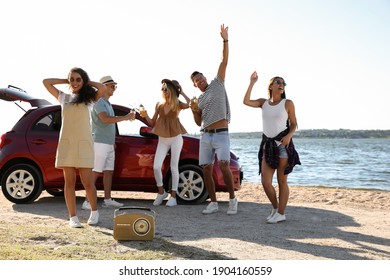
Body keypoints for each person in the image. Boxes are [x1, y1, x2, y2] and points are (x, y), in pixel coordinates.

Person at [43, 67, 105, 228]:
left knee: (88, 183)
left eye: (78, 79)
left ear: (83, 81)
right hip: (67, 143)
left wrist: (85, 81)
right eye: (72, 79)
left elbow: (102, 88)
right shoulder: (63, 97)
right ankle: (73, 217)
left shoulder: (89, 98)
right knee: (69, 182)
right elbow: (46, 82)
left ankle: (94, 212)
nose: (75, 82)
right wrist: (66, 80)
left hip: (84, 143)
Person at [189, 24, 238, 215]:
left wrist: (225, 40)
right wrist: (194, 110)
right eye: (197, 81)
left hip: (221, 134)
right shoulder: (199, 99)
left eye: (201, 78)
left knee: (224, 165)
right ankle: (214, 202)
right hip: (205, 135)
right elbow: (197, 121)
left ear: (205, 77)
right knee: (206, 169)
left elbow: (224, 61)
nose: (200, 81)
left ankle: (233, 199)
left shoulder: (217, 83)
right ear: (194, 85)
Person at [243, 71, 300, 224]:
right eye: (278, 82)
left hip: (282, 144)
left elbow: (294, 124)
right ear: (271, 86)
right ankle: (275, 208)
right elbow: (246, 101)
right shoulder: (263, 103)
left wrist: (289, 136)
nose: (281, 85)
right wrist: (252, 82)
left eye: (283, 83)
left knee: (282, 180)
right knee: (265, 182)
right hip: (267, 145)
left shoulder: (288, 103)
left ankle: (281, 213)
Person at [81, 75, 135, 211]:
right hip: (99, 142)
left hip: (108, 143)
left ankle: (107, 199)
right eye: (112, 86)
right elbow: (105, 119)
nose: (114, 89)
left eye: (114, 86)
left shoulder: (106, 102)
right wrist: (126, 117)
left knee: (108, 172)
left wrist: (112, 141)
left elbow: (108, 122)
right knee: (96, 171)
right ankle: (86, 201)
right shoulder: (99, 102)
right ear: (104, 86)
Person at [140, 79, 190, 206]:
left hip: (176, 138)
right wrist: (144, 115)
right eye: (162, 89)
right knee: (156, 166)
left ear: (172, 90)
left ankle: (173, 196)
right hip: (162, 139)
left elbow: (191, 104)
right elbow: (152, 123)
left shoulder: (177, 103)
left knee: (174, 167)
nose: (164, 91)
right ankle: (161, 192)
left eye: (166, 88)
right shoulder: (159, 105)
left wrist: (182, 92)